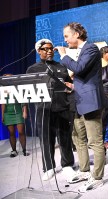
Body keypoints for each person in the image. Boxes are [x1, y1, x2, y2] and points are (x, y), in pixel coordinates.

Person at [56, 22, 106, 192]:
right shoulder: (81, 51)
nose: (65, 40)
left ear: (76, 34)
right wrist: (72, 86)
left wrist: (63, 55)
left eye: (66, 36)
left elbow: (79, 68)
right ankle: (85, 171)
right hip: (78, 100)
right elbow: (84, 77)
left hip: (90, 101)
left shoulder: (91, 48)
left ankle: (98, 177)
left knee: (95, 141)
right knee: (78, 139)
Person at [26, 39, 75, 181]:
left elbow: (69, 86)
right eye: (45, 49)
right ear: (38, 51)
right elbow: (29, 91)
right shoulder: (32, 69)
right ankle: (49, 167)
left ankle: (67, 165)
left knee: (65, 138)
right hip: (43, 110)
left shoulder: (61, 66)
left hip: (62, 108)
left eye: (51, 48)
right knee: (46, 140)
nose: (49, 51)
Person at [1, 74, 28, 157]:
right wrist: (2, 115)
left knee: (21, 132)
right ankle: (14, 151)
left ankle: (24, 150)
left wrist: (25, 111)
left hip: (19, 111)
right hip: (8, 113)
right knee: (11, 132)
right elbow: (3, 103)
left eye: (9, 77)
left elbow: (23, 100)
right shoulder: (3, 88)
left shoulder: (17, 87)